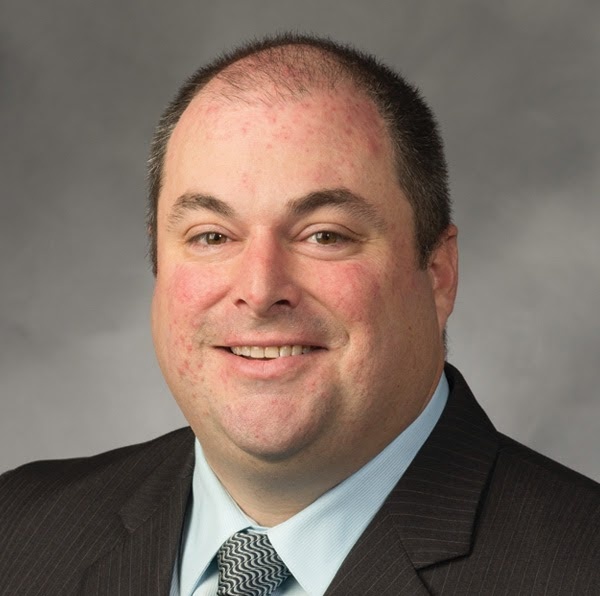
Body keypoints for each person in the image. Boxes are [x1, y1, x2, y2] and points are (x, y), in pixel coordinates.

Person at [0, 33, 598, 596]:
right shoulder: (19, 530)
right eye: (212, 236)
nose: (260, 291)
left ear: (438, 274)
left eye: (325, 235)